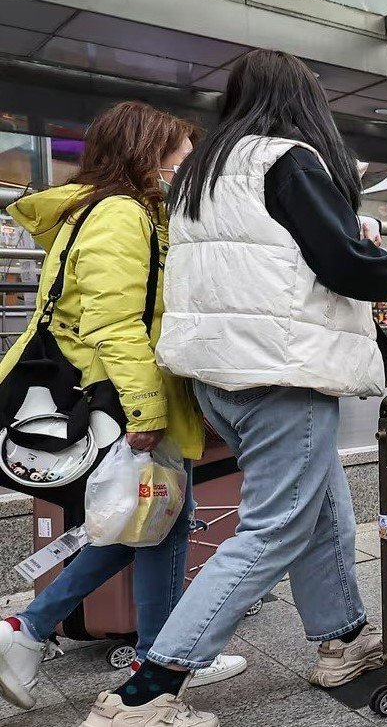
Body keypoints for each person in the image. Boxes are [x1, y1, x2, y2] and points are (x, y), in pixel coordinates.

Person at [92, 50, 387, 727]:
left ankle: (344, 639)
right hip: (281, 372)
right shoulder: (287, 159)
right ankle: (147, 691)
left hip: (218, 374)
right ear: (302, 99)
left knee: (322, 500)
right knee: (271, 530)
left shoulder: (201, 173)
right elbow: (346, 265)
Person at [0, 101, 246, 713]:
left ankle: (45, 635)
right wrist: (146, 411)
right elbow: (114, 323)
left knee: (150, 525)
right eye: (182, 157)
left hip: (123, 393)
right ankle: (144, 656)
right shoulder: (118, 214)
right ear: (149, 153)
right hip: (120, 397)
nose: (186, 168)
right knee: (159, 522)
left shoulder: (123, 211)